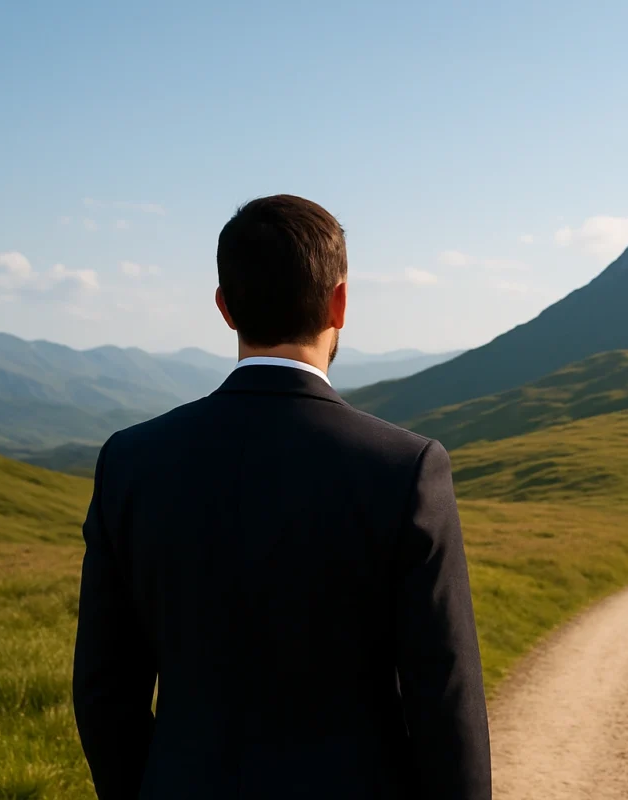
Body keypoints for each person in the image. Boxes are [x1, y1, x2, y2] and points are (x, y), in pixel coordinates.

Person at [72, 195, 491, 799]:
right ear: (340, 302)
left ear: (224, 308)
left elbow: (104, 690)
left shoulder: (131, 462)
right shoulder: (407, 468)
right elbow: (444, 697)